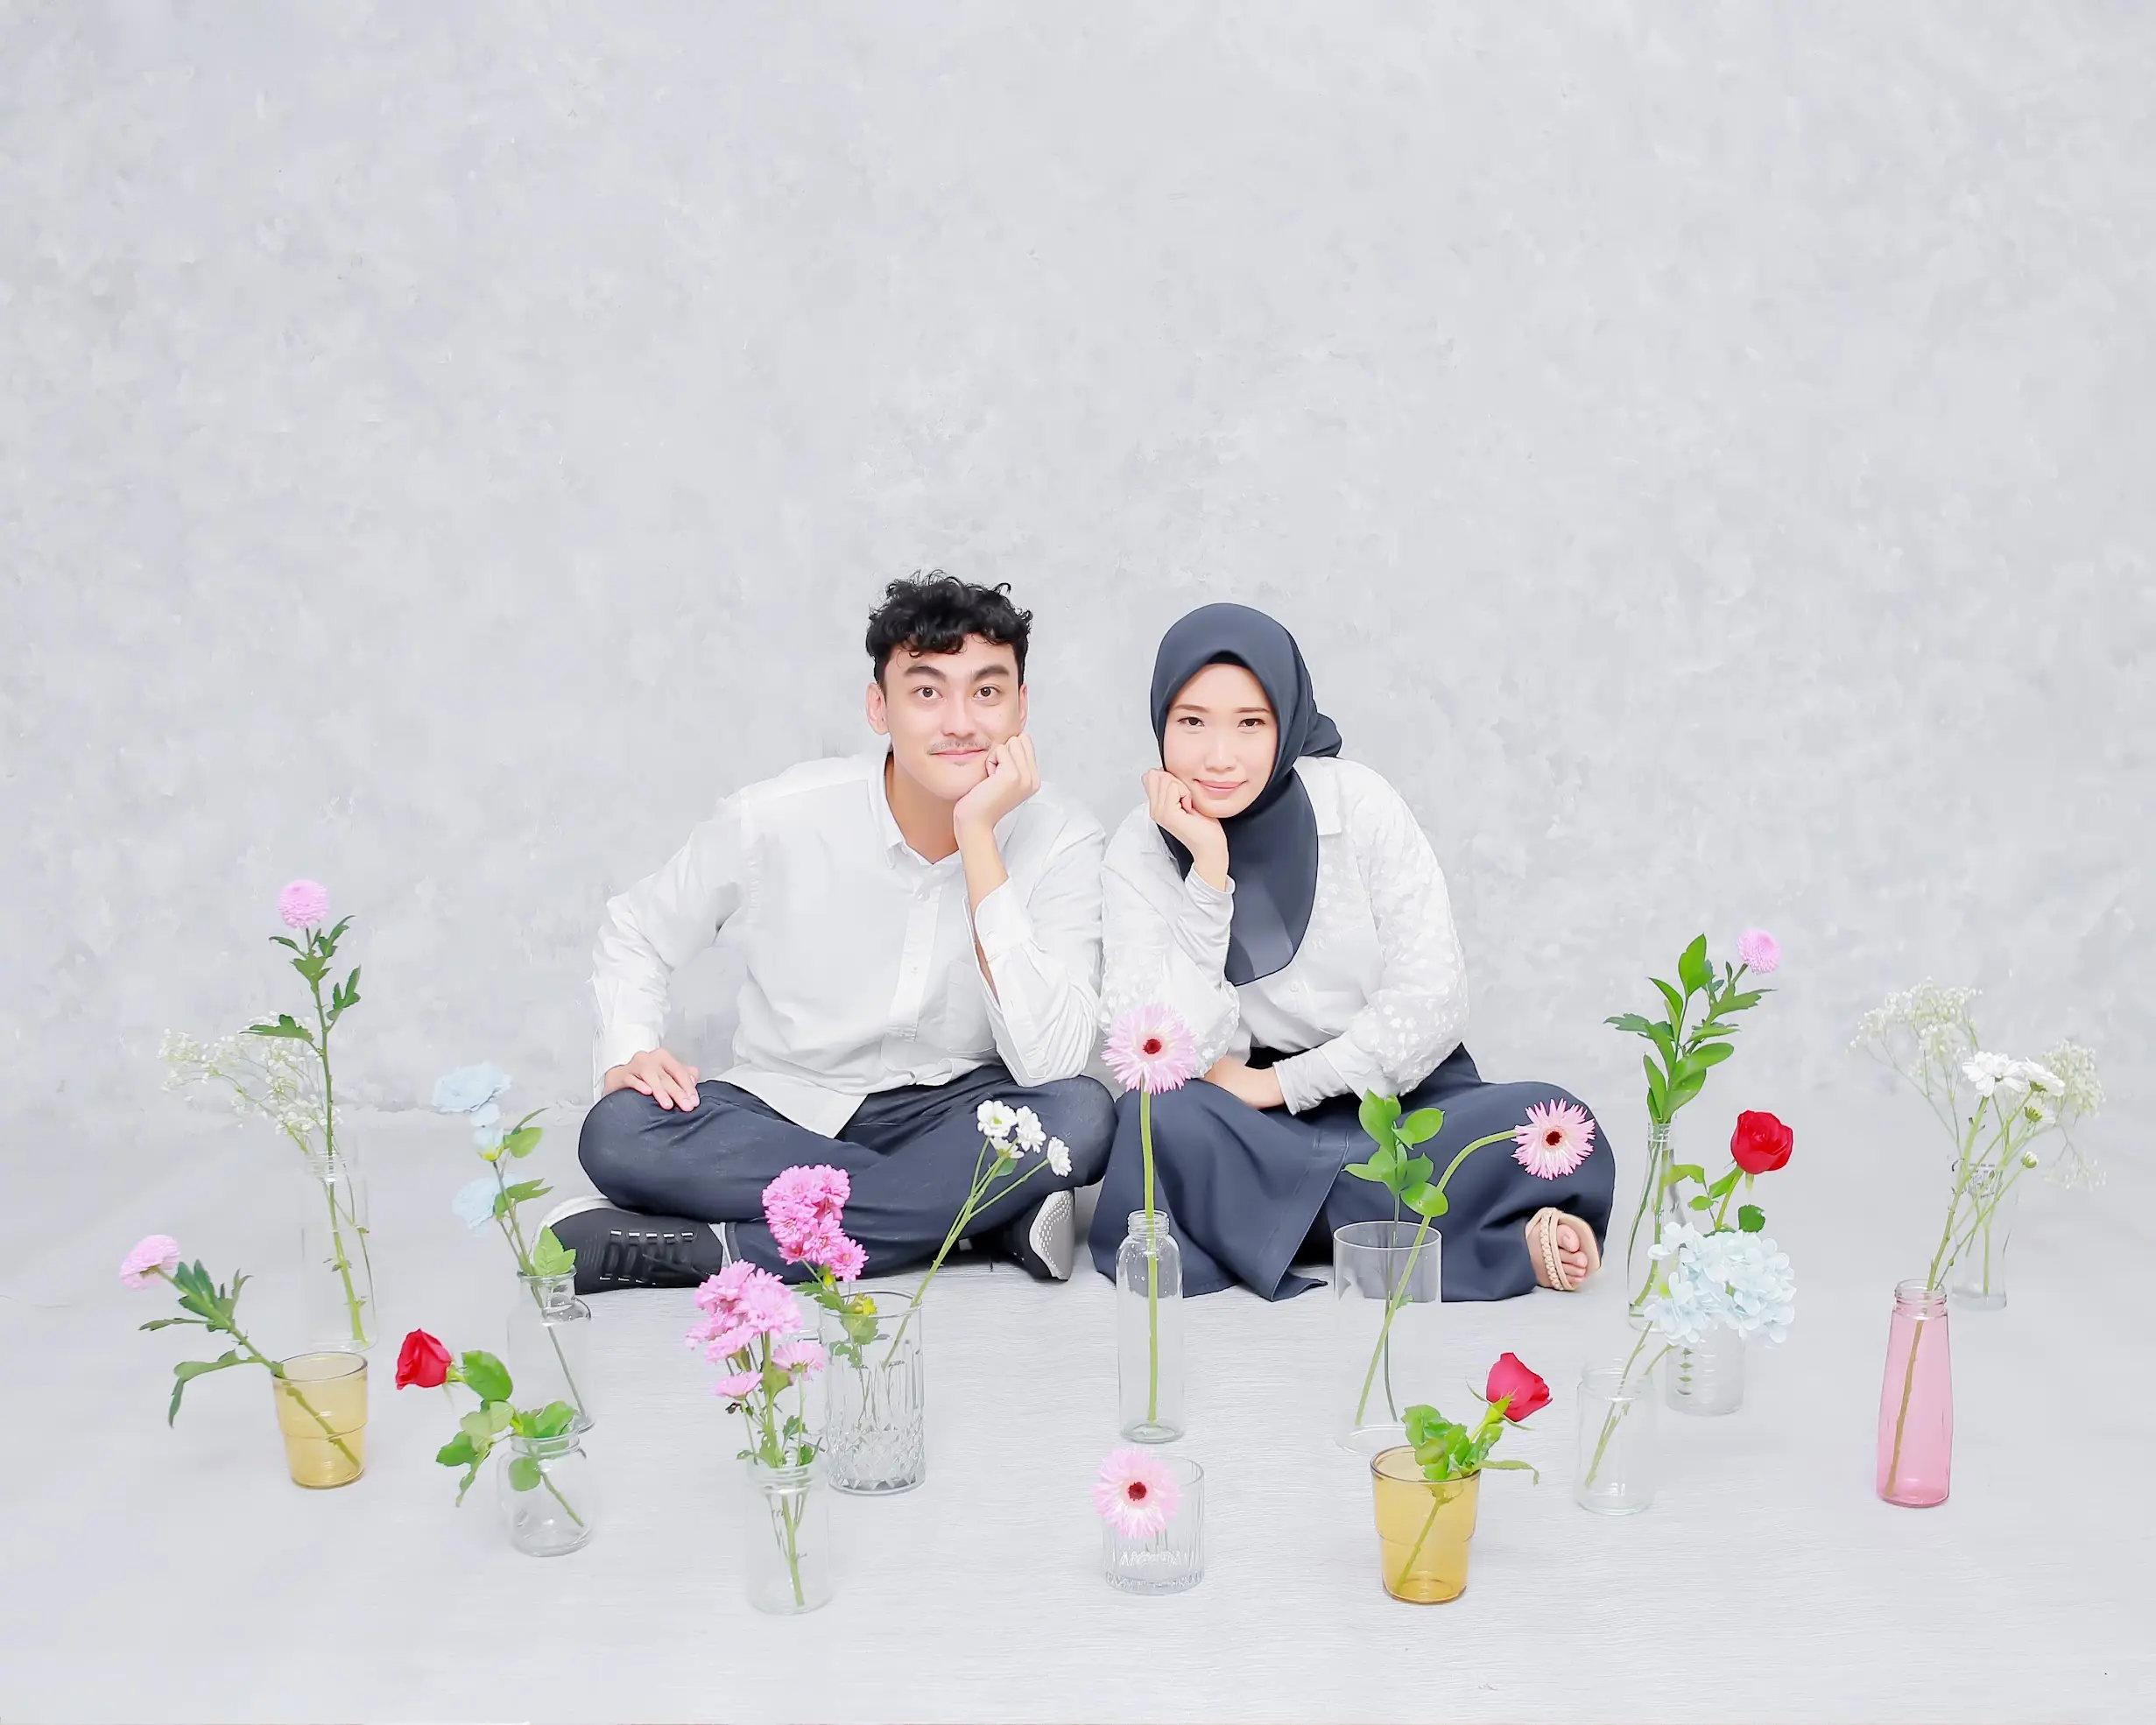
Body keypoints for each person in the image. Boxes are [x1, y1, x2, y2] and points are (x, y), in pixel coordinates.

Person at [548, 574, 1116, 1293]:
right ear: (880, 707)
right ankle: (974, 1212)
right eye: (927, 691)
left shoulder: (1063, 838)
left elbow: (1048, 1062)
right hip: (783, 1108)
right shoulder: (775, 818)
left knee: (1081, 1114)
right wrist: (629, 1046)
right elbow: (637, 929)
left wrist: (978, 835)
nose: (960, 723)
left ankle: (723, 1251)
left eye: (986, 692)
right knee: (620, 1132)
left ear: (1021, 706)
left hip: (956, 1105)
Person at [1085, 602, 1614, 1301]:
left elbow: (1431, 1001)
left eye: (1250, 723)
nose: (1219, 757)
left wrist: (1283, 1084)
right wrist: (1208, 872)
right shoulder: (1141, 845)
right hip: (1240, 1120)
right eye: (1192, 723)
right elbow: (1152, 1047)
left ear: (1287, 719)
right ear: (1161, 723)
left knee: (1548, 1119)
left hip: (1393, 1095)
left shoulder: (1359, 805)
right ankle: (1460, 1234)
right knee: (1157, 1121)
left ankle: (1277, 1222)